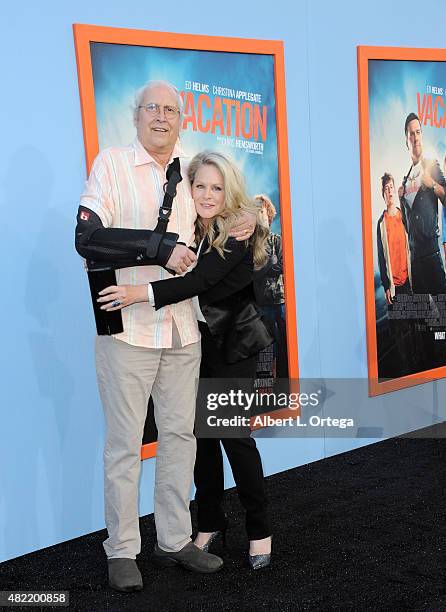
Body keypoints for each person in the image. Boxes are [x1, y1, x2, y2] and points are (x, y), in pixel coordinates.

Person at [75, 81, 255, 592]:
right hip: (127, 332)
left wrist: (250, 214)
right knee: (125, 446)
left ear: (182, 117)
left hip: (182, 332)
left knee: (181, 439)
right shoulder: (110, 164)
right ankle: (121, 549)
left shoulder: (191, 169)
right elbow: (86, 238)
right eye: (151, 108)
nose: (161, 117)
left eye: (170, 110)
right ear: (136, 116)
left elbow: (224, 202)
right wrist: (157, 249)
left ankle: (174, 539)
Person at [99, 151, 274, 570]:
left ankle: (260, 528)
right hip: (197, 344)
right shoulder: (190, 224)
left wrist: (138, 295)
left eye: (217, 187)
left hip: (234, 345)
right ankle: (210, 522)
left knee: (234, 438)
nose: (208, 195)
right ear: (187, 189)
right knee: (200, 441)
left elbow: (199, 280)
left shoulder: (238, 227)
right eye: (200, 186)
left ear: (228, 189)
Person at [398, 113, 446, 296]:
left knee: (442, 317)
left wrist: (433, 184)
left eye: (418, 132)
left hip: (432, 255)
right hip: (415, 262)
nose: (416, 137)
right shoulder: (404, 182)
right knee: (423, 322)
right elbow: (407, 226)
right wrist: (401, 199)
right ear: (406, 140)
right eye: (411, 134)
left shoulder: (431, 165)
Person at [377, 172, 415, 375]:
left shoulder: (404, 215)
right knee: (399, 332)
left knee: (414, 328)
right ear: (382, 194)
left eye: (391, 187)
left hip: (409, 282)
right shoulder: (381, 224)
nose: (389, 191)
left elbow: (413, 244)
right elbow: (381, 258)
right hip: (395, 286)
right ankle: (405, 371)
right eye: (386, 189)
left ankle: (417, 366)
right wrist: (386, 286)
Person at [253, 194, 288, 380]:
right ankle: (265, 382)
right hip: (261, 302)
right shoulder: (251, 244)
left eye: (263, 211)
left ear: (269, 214)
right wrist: (268, 266)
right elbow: (253, 273)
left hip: (281, 300)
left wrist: (265, 267)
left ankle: (285, 377)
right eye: (257, 212)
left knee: (285, 343)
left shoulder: (278, 240)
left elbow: (284, 265)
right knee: (265, 344)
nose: (261, 215)